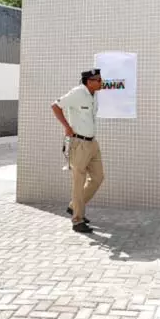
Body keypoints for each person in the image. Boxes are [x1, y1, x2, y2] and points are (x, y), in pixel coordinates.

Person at [52, 68, 105, 233]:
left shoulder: (93, 95)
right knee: (78, 182)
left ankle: (73, 206)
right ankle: (77, 220)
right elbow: (55, 106)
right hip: (79, 143)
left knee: (98, 178)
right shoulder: (77, 93)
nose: (101, 82)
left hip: (92, 143)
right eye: (98, 80)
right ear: (89, 82)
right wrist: (67, 127)